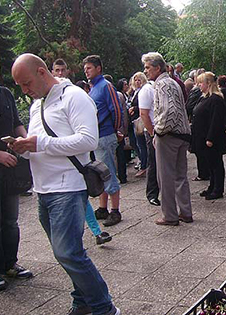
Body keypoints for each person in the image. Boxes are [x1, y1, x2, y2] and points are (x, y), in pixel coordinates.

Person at [11, 53, 120, 315]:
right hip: (44, 189)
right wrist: (23, 148)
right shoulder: (37, 104)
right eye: (20, 87)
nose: (25, 91)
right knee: (67, 254)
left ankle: (105, 308)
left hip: (67, 188)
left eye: (26, 83)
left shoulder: (74, 96)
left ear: (41, 72)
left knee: (68, 253)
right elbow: (41, 145)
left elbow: (88, 141)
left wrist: (39, 144)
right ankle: (81, 302)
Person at [54, 59, 112, 245]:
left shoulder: (74, 95)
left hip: (75, 158)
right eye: (57, 70)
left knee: (82, 196)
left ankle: (95, 232)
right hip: (54, 163)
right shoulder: (43, 99)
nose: (60, 73)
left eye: (63, 70)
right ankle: (72, 241)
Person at [142, 52, 192, 226]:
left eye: (148, 67)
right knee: (180, 176)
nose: (145, 71)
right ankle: (185, 212)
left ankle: (169, 215)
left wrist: (158, 131)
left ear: (157, 67)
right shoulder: (173, 82)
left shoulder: (162, 84)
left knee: (165, 177)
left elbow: (167, 111)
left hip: (169, 137)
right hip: (182, 135)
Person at [83, 55, 123, 227]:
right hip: (96, 137)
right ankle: (102, 207)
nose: (86, 71)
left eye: (89, 68)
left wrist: (116, 129)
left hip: (105, 135)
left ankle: (115, 211)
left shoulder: (106, 86)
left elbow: (117, 109)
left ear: (99, 68)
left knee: (107, 172)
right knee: (99, 172)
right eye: (85, 69)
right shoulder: (93, 88)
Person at [0, 86, 33, 291]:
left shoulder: (5, 93)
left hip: (9, 168)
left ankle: (10, 263)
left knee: (11, 220)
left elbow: (17, 124)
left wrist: (26, 139)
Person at [193, 72, 226, 200]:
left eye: (200, 83)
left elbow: (216, 121)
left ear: (208, 83)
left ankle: (218, 189)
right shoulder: (204, 98)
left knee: (216, 164)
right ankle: (212, 186)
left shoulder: (216, 99)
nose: (198, 85)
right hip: (202, 136)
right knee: (210, 163)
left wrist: (210, 138)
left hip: (211, 138)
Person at [138, 73, 161, 207]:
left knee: (160, 164)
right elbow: (143, 114)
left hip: (161, 130)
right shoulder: (147, 89)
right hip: (153, 131)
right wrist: (152, 133)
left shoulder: (159, 86)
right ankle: (152, 194)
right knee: (153, 163)